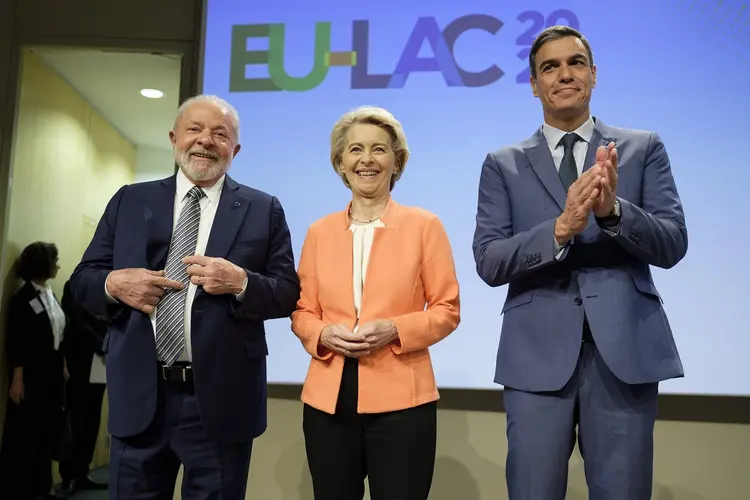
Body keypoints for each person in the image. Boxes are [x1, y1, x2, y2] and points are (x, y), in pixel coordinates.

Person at [472, 26, 687, 499]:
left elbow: (672, 244)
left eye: (575, 63)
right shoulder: (502, 163)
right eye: (549, 67)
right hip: (535, 360)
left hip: (624, 355)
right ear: (534, 84)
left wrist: (614, 213)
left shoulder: (642, 148)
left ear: (593, 74)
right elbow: (488, 260)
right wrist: (559, 228)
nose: (564, 74)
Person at [69, 94, 300, 499]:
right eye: (195, 129)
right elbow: (82, 282)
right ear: (175, 138)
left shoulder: (264, 209)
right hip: (140, 396)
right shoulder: (129, 200)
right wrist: (113, 285)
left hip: (221, 402)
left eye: (220, 133)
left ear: (236, 149)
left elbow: (286, 293)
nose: (205, 140)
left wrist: (242, 281)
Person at [291, 105, 461, 500]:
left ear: (396, 161)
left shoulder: (425, 226)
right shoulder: (319, 231)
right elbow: (302, 313)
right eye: (355, 150)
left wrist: (395, 329)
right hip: (327, 403)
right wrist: (322, 332)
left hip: (404, 401)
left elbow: (447, 310)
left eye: (379, 149)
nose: (366, 160)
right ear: (340, 162)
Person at [0, 242, 68, 500]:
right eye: (55, 260)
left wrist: (63, 363)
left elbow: (58, 331)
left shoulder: (50, 293)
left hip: (52, 374)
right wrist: (17, 378)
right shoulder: (23, 298)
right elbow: (17, 339)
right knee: (27, 431)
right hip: (31, 375)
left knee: (48, 430)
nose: (58, 265)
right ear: (42, 264)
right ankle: (22, 489)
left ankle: (45, 486)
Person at [58, 279, 109, 494]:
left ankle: (83, 470)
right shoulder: (75, 285)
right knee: (76, 417)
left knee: (92, 416)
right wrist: (101, 343)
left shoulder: (109, 285)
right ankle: (68, 474)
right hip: (80, 359)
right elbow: (76, 320)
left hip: (100, 361)